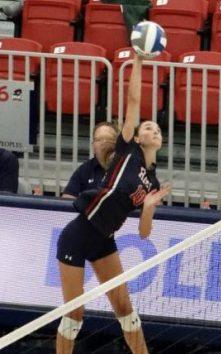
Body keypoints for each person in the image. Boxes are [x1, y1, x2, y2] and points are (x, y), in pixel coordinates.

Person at [55, 54, 171, 354]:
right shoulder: (127, 150)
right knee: (74, 314)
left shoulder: (153, 184)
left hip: (104, 240)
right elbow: (133, 100)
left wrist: (148, 208)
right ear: (137, 135)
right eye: (147, 127)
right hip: (79, 235)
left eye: (157, 130)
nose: (153, 131)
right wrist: (138, 61)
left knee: (125, 309)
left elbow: (144, 233)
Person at [62, 122, 119, 199]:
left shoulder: (126, 167)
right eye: (99, 139)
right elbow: (67, 197)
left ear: (118, 143)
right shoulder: (84, 170)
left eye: (109, 139)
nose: (104, 143)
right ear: (93, 146)